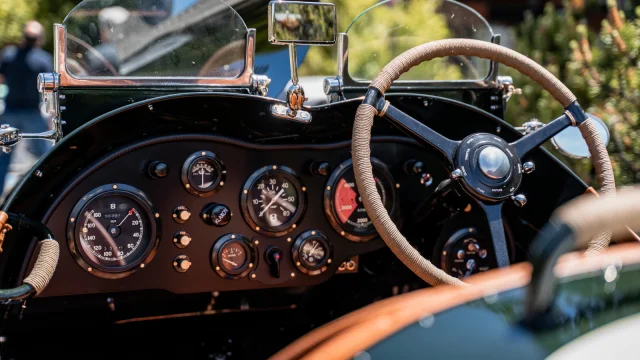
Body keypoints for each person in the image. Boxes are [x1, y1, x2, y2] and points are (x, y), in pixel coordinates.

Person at [0, 21, 53, 195]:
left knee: (3, 157)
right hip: (32, 113)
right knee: (45, 157)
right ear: (39, 38)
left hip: (10, 112)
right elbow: (49, 88)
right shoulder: (43, 59)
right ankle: (49, 191)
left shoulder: (8, 55)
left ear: (23, 36)